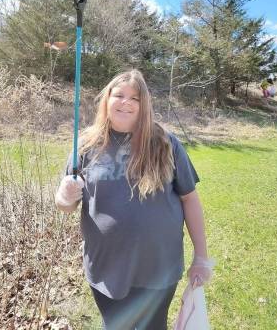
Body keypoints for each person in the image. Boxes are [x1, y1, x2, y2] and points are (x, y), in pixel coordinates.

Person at [55, 69, 213, 330]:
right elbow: (66, 206)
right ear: (106, 100)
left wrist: (201, 258)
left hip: (159, 268)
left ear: (144, 105)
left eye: (135, 98)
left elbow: (190, 199)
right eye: (119, 95)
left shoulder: (165, 143)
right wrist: (64, 196)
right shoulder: (84, 145)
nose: (126, 102)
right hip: (106, 268)